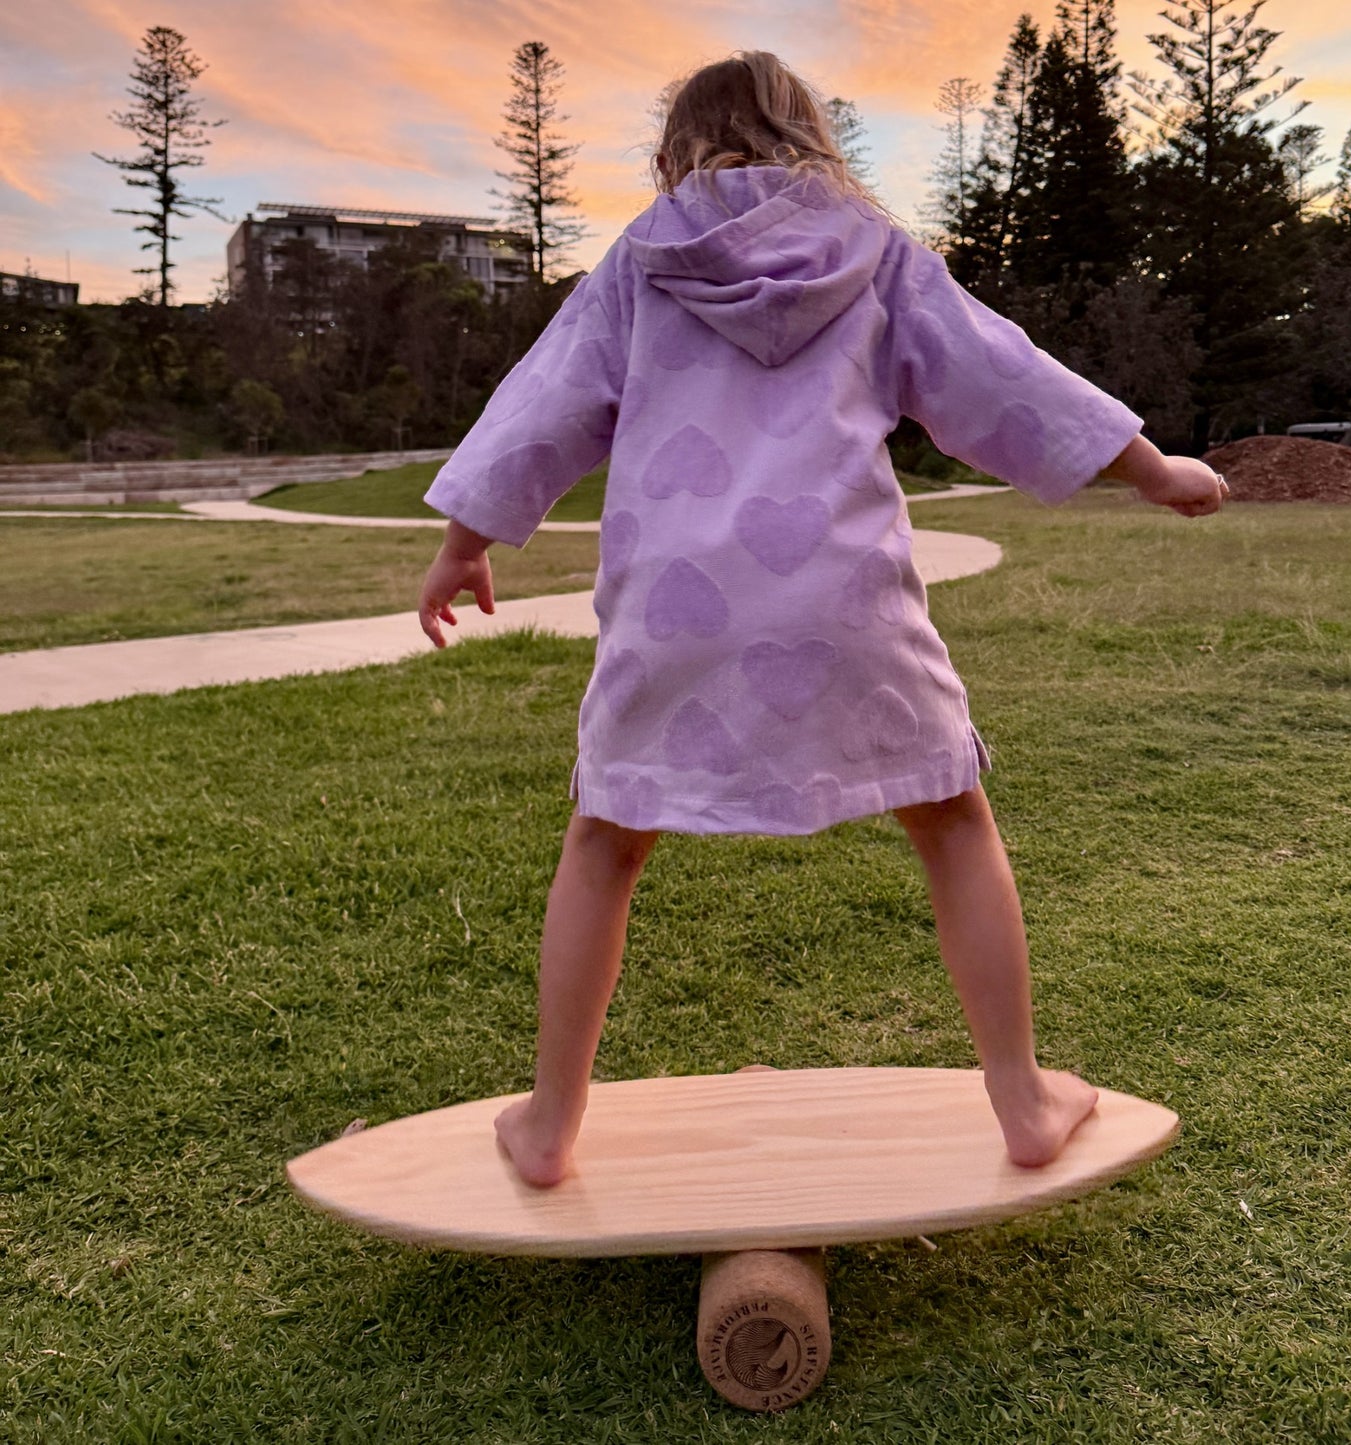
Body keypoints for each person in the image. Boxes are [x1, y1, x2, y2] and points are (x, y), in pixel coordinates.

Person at [418, 52, 1226, 1188]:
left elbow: (540, 407)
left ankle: (548, 1124)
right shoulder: (876, 254)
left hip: (673, 607)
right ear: (816, 146)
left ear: (668, 160)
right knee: (951, 822)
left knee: (605, 838)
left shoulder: (637, 268)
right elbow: (1002, 380)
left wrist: (465, 541)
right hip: (843, 599)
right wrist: (1145, 466)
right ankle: (1024, 1100)